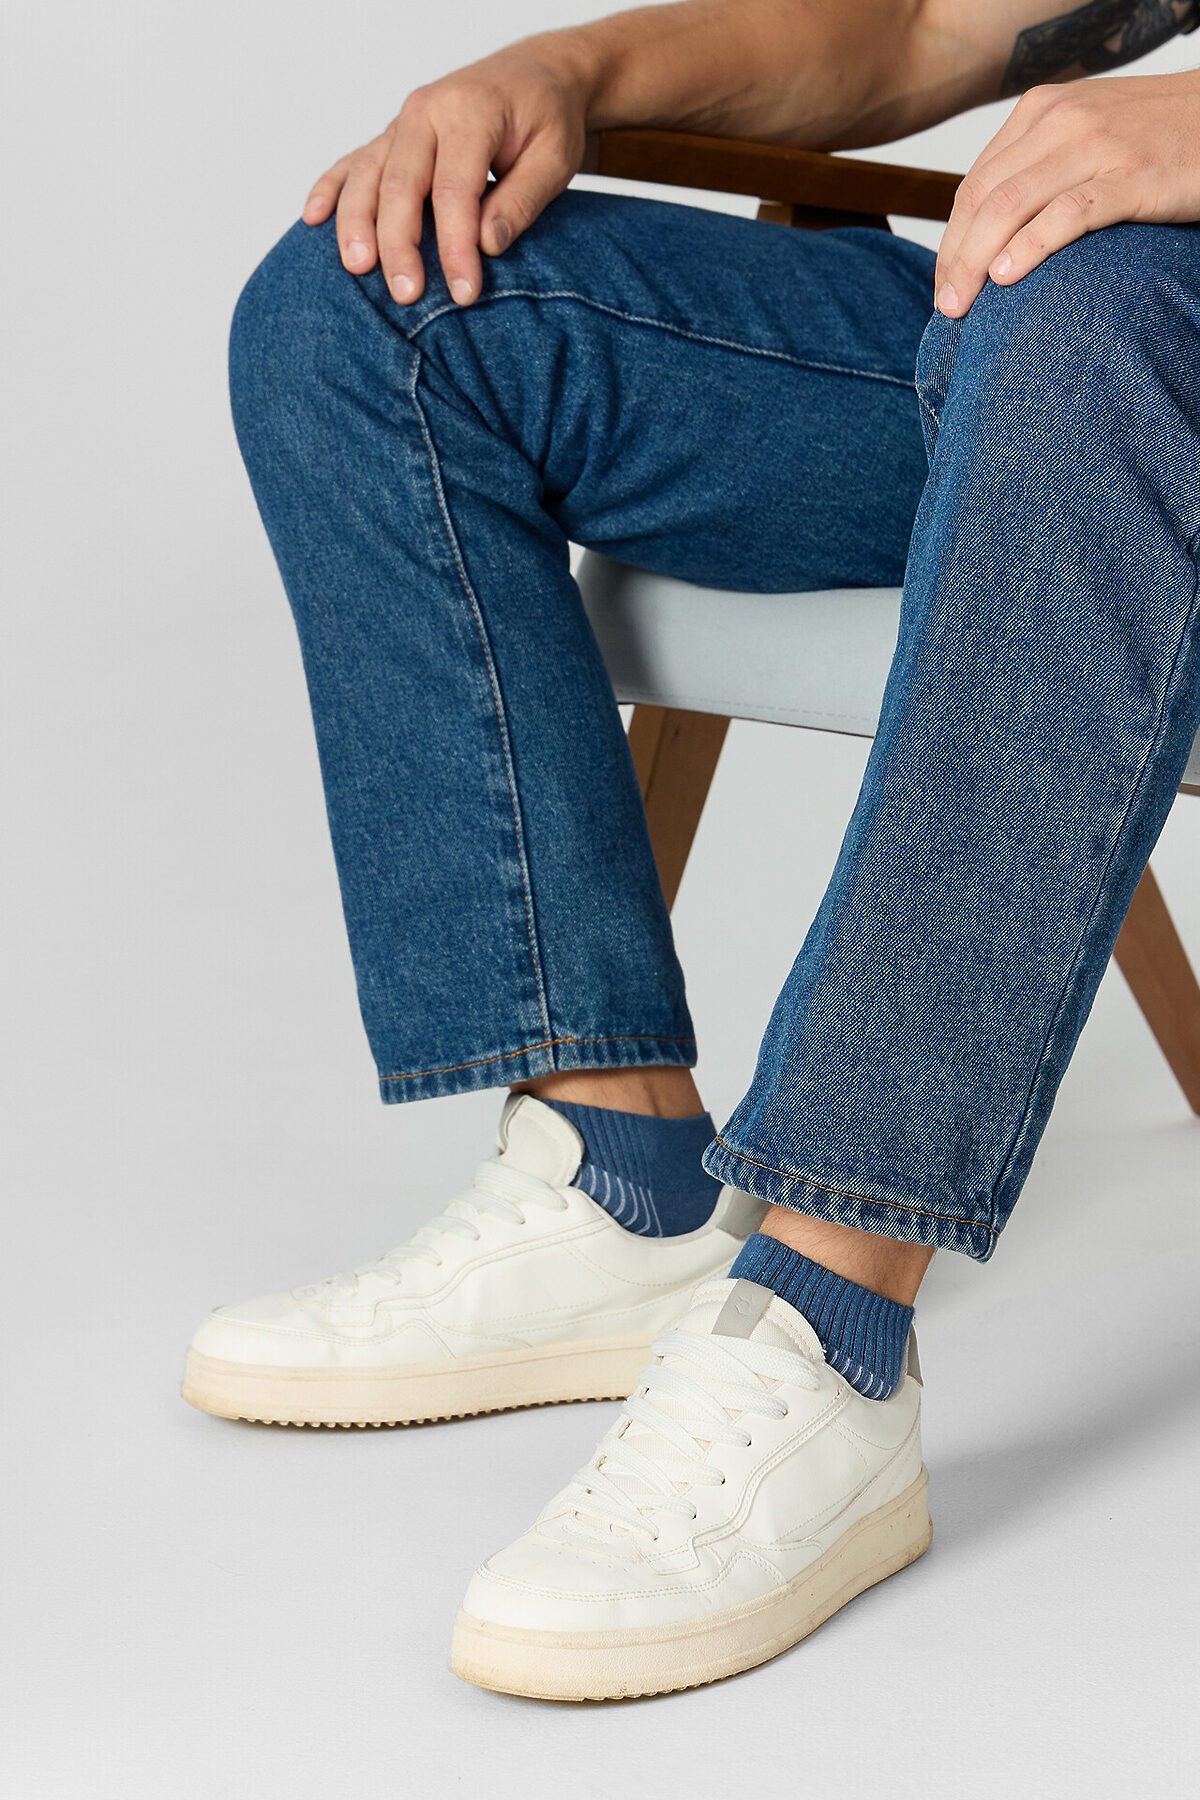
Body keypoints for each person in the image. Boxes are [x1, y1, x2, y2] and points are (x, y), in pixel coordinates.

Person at [184, 0, 1200, 1699]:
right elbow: (929, 23)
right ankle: (613, 1172)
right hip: (1063, 342)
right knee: (375, 299)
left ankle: (822, 1323)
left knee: (1089, 310)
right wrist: (569, 74)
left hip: (1120, 341)